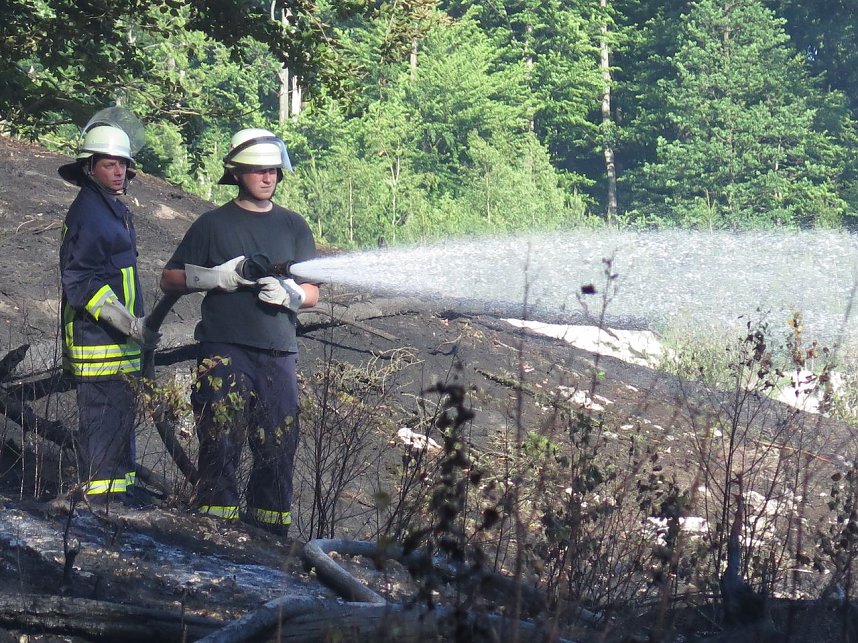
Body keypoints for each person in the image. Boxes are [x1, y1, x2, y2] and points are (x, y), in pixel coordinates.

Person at [160, 128, 319, 536]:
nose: (267, 178)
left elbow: (313, 291)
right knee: (219, 434)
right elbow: (170, 279)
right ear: (236, 173)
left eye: (273, 171)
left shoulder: (293, 226)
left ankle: (269, 534)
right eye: (258, 171)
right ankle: (215, 528)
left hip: (278, 351)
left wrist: (291, 296)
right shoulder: (212, 225)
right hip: (224, 347)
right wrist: (216, 277)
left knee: (279, 443)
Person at [58, 120, 158, 508]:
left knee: (119, 431)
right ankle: (98, 515)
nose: (118, 172)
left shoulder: (108, 209)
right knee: (103, 436)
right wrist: (127, 323)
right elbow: (79, 281)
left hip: (119, 346)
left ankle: (119, 502)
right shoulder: (89, 213)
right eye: (108, 165)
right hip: (98, 346)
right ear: (89, 168)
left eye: (122, 165)